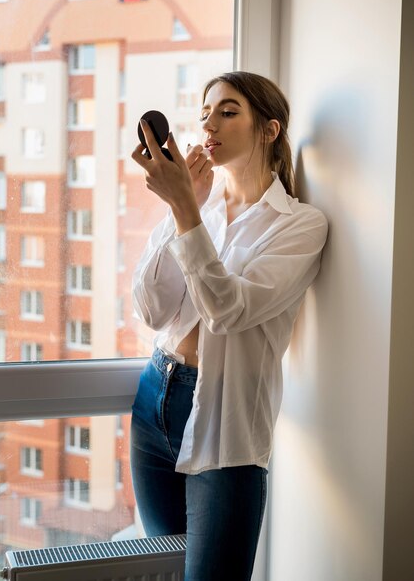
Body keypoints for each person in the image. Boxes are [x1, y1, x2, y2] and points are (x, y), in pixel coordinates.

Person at [130, 71, 328, 581]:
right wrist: (186, 207)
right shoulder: (202, 207)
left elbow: (228, 309)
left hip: (226, 423)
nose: (208, 123)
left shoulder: (299, 225)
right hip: (155, 397)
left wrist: (182, 208)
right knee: (164, 570)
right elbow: (152, 311)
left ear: (269, 130)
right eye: (204, 112)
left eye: (228, 110)